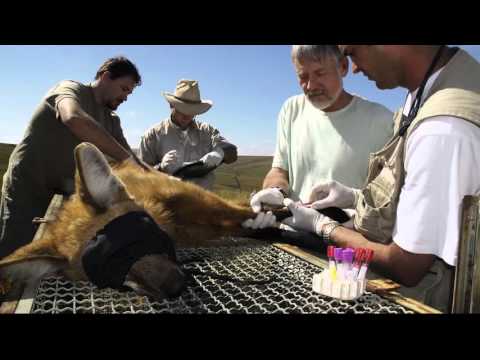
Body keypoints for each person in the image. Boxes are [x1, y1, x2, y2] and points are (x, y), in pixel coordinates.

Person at [280, 45, 480, 312]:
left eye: (352, 52)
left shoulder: (443, 128)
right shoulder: (431, 88)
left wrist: (323, 227)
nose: (354, 68)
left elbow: (406, 266)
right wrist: (354, 196)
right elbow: (414, 191)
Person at [0, 56, 142, 258]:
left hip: (64, 195)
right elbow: (73, 118)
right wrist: (128, 160)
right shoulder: (70, 90)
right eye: (124, 88)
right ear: (105, 77)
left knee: (52, 255)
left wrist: (163, 179)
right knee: (15, 251)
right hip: (29, 186)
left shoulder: (112, 120)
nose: (126, 97)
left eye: (130, 92)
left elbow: (129, 158)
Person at [250, 45, 393, 214]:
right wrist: (275, 191)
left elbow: (391, 195)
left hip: (351, 236)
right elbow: (279, 170)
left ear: (343, 67)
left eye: (320, 73)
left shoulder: (382, 121)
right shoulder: (291, 109)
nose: (310, 85)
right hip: (294, 230)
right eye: (303, 76)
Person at [139, 79, 238, 190]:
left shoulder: (207, 131)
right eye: (182, 109)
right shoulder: (152, 136)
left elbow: (232, 151)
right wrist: (160, 168)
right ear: (171, 105)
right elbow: (141, 176)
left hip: (203, 202)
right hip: (167, 203)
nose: (187, 115)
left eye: (192, 111)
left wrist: (220, 153)